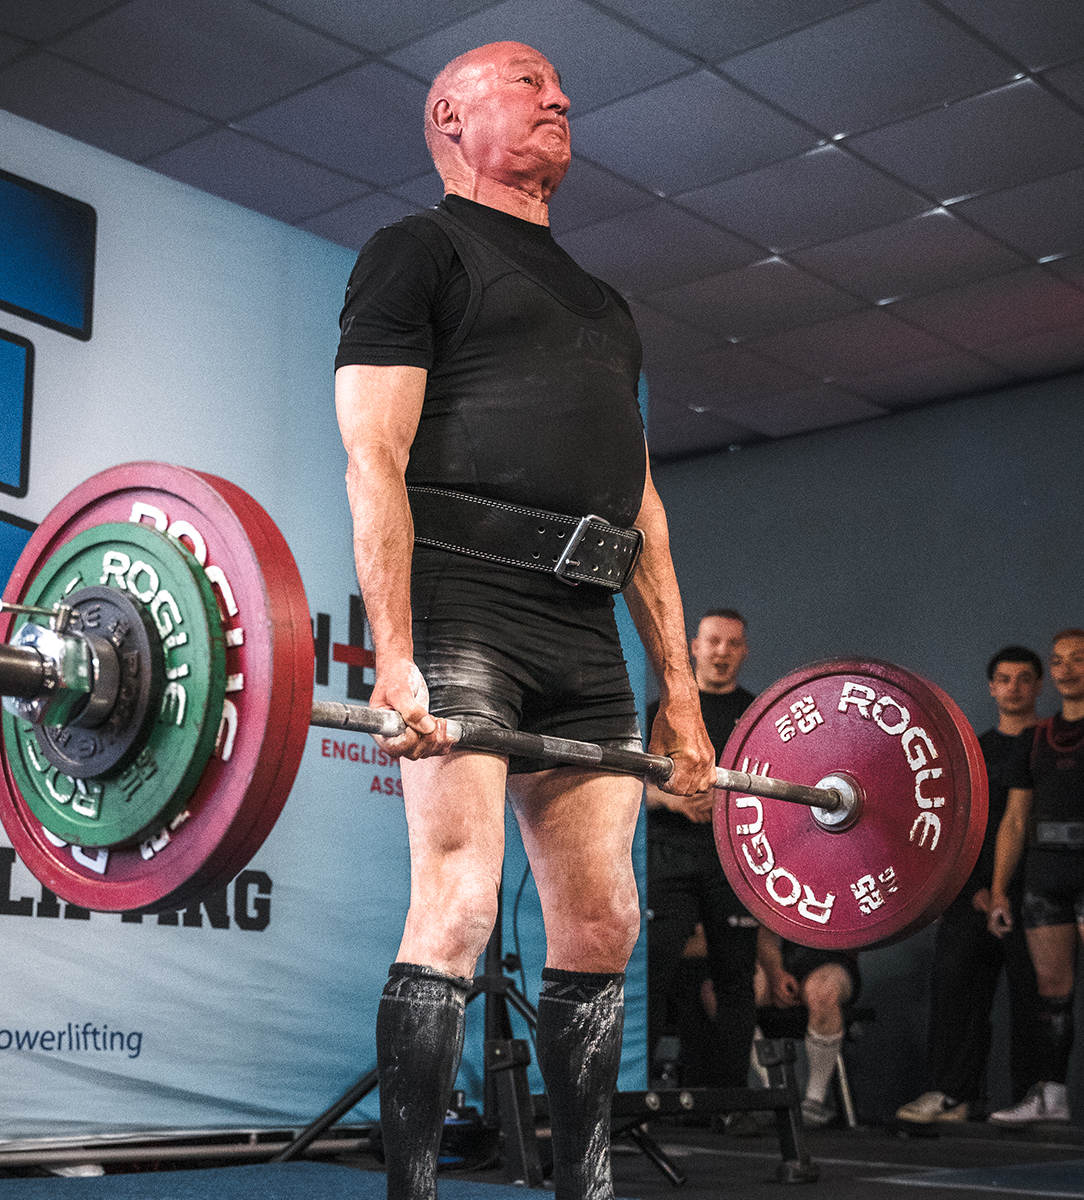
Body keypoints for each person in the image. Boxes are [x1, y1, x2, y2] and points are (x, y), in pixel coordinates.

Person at [333, 42, 716, 1200]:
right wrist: (393, 654)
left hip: (582, 629)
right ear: (450, 112)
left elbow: (640, 505)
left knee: (604, 921)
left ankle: (583, 1184)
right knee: (457, 903)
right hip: (466, 604)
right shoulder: (417, 251)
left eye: (561, 85)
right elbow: (374, 456)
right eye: (527, 80)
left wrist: (683, 699)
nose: (560, 96)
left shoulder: (605, 304)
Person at [896, 647, 1042, 1125]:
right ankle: (951, 1096)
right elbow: (956, 827)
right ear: (992, 688)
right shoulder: (975, 752)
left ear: (1037, 687)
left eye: (1024, 679)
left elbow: (1026, 824)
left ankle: (1031, 1097)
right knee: (955, 995)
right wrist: (971, 890)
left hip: (1036, 897)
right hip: (973, 895)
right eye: (1005, 679)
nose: (1014, 688)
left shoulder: (1049, 744)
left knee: (1033, 1002)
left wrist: (1007, 890)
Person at [985, 630, 1084, 1125]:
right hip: (1046, 874)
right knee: (1051, 989)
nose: (1066, 668)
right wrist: (997, 889)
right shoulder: (1035, 738)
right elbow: (1015, 821)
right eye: (1058, 661)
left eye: (1079, 659)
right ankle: (1051, 1097)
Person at [645, 610, 758, 1091]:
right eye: (713, 641)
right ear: (694, 646)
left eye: (732, 644)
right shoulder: (663, 712)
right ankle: (631, 1095)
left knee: (735, 980)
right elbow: (628, 788)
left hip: (731, 865)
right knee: (651, 977)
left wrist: (729, 803)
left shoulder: (757, 717)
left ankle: (732, 1101)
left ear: (743, 651)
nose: (721, 652)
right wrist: (673, 800)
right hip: (668, 858)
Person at [755, 927, 862, 1129]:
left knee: (823, 990)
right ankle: (774, 1092)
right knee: (735, 988)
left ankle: (814, 1101)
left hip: (832, 960)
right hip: (779, 961)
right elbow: (765, 930)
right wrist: (776, 973)